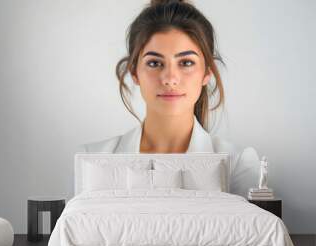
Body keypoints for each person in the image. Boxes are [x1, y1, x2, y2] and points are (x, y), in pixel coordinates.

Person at [77, 0, 260, 197]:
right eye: (155, 62)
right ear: (134, 73)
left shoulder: (238, 164)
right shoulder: (92, 158)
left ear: (207, 72)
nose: (170, 79)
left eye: (186, 62)